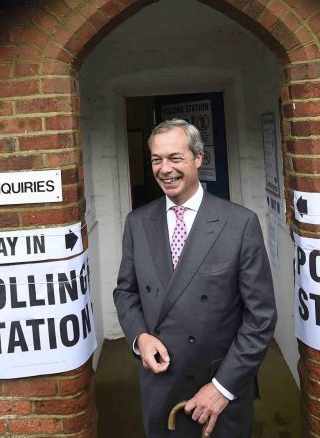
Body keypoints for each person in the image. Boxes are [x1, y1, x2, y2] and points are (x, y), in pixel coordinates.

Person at [113, 119, 277, 437]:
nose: (165, 169)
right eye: (157, 159)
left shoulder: (239, 224)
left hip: (218, 391)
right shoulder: (137, 223)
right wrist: (139, 338)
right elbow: (126, 292)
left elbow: (261, 318)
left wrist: (222, 387)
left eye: (175, 158)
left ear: (199, 159)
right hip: (160, 385)